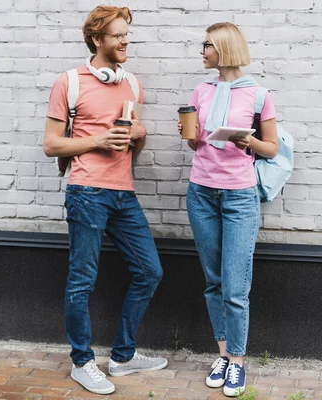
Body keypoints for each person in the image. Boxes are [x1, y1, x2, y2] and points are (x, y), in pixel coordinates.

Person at [42, 5, 167, 395]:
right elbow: (50, 145)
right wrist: (97, 139)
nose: (125, 41)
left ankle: (123, 356)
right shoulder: (70, 82)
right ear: (97, 40)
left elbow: (135, 144)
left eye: (127, 34)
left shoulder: (133, 84)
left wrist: (140, 133)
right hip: (87, 193)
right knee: (82, 281)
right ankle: (82, 361)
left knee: (150, 271)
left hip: (124, 194)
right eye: (117, 35)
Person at [178, 22, 278, 397]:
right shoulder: (201, 90)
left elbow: (271, 149)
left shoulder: (258, 95)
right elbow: (195, 146)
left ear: (224, 48)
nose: (201, 51)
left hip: (239, 197)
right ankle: (222, 353)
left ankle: (237, 361)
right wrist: (188, 133)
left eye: (206, 44)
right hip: (201, 192)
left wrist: (245, 137)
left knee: (236, 287)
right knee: (214, 282)